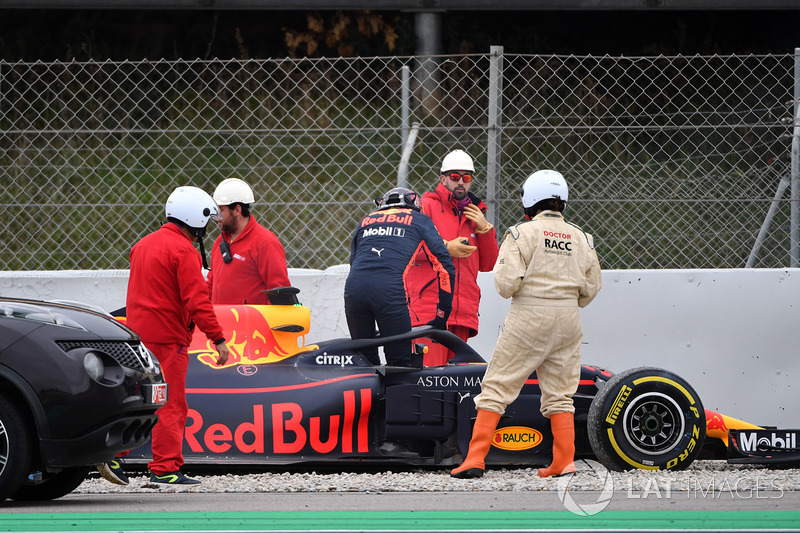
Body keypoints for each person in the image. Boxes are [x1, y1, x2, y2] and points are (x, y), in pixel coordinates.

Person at [451, 169, 601, 479]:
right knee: (561, 393)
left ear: (529, 200)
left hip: (530, 315)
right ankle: (564, 461)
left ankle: (475, 459)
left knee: (497, 386)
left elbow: (505, 285)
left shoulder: (520, 234)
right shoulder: (582, 237)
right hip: (569, 318)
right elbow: (590, 289)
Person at [126, 185, 231, 485]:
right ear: (195, 218)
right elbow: (196, 301)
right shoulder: (183, 250)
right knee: (171, 405)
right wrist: (218, 339)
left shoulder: (142, 244)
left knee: (136, 399)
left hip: (138, 338)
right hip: (168, 339)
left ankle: (114, 458)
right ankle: (166, 468)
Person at [406, 149, 499, 366]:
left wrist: (485, 230)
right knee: (429, 380)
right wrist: (446, 247)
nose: (460, 183)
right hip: (429, 312)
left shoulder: (475, 214)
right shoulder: (426, 206)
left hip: (462, 314)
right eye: (455, 177)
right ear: (443, 178)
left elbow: (489, 264)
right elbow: (409, 248)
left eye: (466, 178)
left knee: (456, 387)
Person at [344, 187, 456, 367]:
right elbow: (445, 268)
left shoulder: (365, 221)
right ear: (415, 204)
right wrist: (442, 316)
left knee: (364, 362)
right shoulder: (420, 219)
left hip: (354, 290)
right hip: (389, 291)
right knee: (400, 365)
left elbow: (354, 263)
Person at [207, 177, 291, 304]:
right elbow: (211, 285)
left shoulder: (265, 243)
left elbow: (279, 292)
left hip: (251, 323)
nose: (216, 217)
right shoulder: (220, 241)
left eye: (220, 211)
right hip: (220, 322)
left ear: (237, 210)